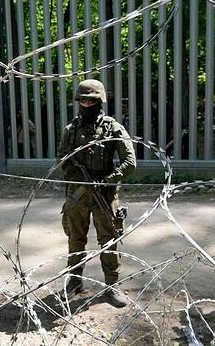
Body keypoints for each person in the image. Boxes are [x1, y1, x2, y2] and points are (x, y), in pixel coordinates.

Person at [57, 79, 137, 308]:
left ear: (99, 101)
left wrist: (107, 180)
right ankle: (74, 281)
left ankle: (111, 286)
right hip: (77, 195)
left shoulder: (113, 128)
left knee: (109, 241)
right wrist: (78, 174)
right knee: (75, 239)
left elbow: (130, 163)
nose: (86, 103)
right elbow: (61, 159)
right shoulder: (71, 130)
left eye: (91, 100)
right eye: (82, 100)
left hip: (104, 195)